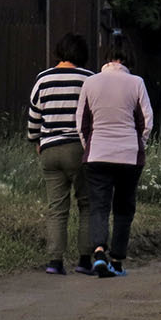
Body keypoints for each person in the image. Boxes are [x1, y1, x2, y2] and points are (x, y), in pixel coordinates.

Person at [75, 34, 153, 278]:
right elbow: (146, 121)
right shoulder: (137, 82)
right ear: (128, 59)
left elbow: (81, 122)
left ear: (106, 57)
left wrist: (90, 145)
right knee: (123, 208)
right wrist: (138, 145)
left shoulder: (91, 82)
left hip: (97, 154)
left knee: (98, 206)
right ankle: (117, 260)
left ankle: (98, 252)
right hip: (129, 156)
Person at [27, 32, 94, 276]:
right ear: (82, 54)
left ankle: (55, 261)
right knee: (86, 204)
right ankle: (85, 260)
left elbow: (34, 115)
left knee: (56, 207)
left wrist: (36, 140)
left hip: (49, 149)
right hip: (80, 149)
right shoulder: (89, 78)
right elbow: (94, 115)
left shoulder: (42, 79)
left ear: (59, 51)